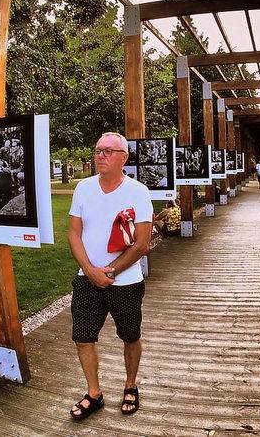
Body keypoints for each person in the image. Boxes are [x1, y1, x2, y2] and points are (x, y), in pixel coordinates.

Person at [68, 132, 153, 420]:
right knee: (82, 337)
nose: (100, 155)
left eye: (108, 151)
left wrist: (112, 271)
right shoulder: (83, 188)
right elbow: (73, 233)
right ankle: (94, 393)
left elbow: (142, 243)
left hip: (125, 282)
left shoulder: (138, 192)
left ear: (124, 157)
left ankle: (130, 385)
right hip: (87, 280)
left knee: (130, 336)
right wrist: (90, 271)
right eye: (97, 150)